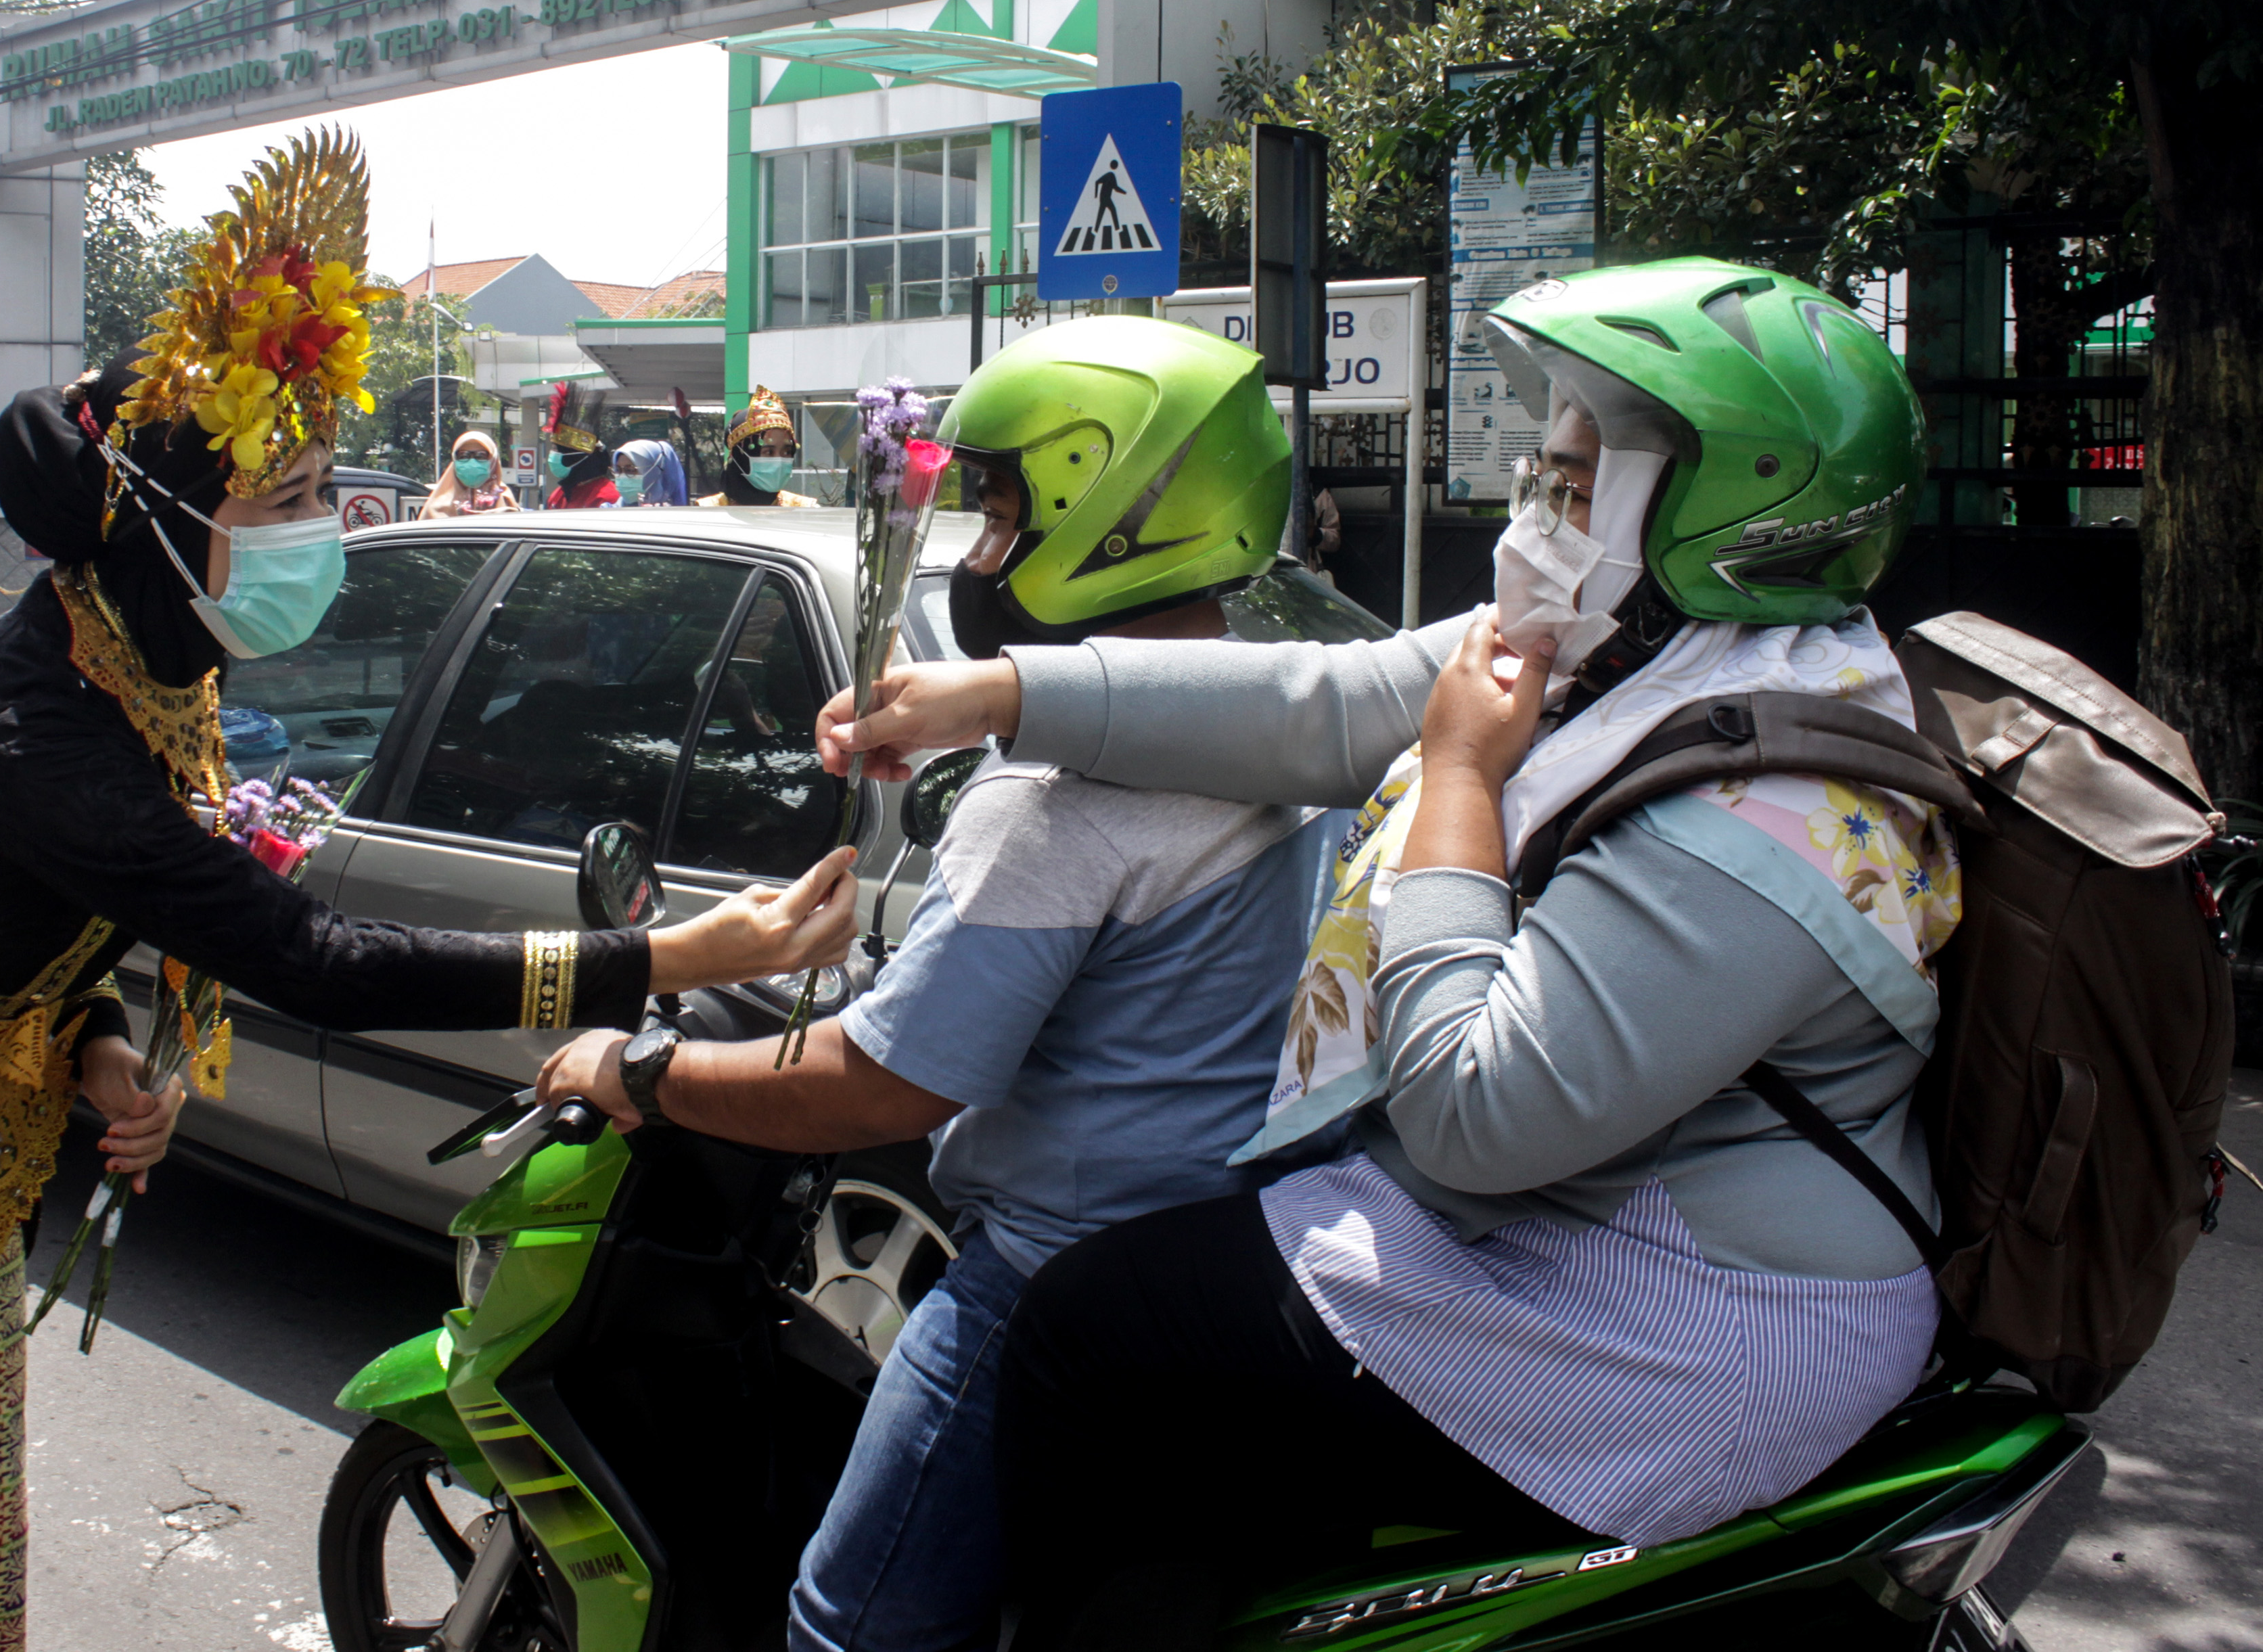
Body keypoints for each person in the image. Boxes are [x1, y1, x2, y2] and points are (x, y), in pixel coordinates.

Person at [0, 134, 861, 1652]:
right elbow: (307, 956)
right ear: (163, 516)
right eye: (285, 494)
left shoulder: (141, 660)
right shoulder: (34, 725)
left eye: (321, 485)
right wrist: (660, 958)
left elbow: (12, 927)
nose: (322, 524)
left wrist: (93, 1042)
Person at [824, 260, 1953, 1644]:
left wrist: (1462, 779)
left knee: (1094, 1332)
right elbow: (1333, 700)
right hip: (1576, 1230)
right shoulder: (1632, 660)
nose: (1535, 520)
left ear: (1717, 508)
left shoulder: (1766, 809)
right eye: (1542, 475)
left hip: (1693, 1326)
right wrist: (997, 695)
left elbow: (1477, 1117)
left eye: (1575, 486)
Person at [543, 317, 1322, 1652]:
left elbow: (879, 1087)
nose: (979, 555)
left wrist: (643, 1071)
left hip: (1053, 1277)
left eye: (1005, 517)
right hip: (1242, 1259)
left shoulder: (1059, 800)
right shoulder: (1292, 721)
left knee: (847, 1624)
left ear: (1117, 518)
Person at [695, 384, 818, 507]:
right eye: (769, 452)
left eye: (787, 452)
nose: (779, 461)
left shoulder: (805, 509)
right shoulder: (708, 510)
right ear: (740, 457)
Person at [542, 386, 621, 509]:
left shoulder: (607, 497)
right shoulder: (559, 495)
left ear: (578, 457)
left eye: (557, 450)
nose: (552, 454)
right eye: (553, 449)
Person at [419, 430, 519, 515]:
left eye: (480, 456)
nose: (472, 462)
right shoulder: (437, 509)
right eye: (464, 456)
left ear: (493, 461)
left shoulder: (507, 502)